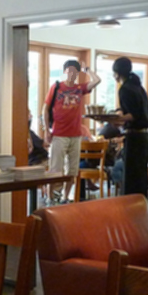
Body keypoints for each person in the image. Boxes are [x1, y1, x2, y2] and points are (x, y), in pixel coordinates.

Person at [41, 59, 101, 202]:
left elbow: (97, 80)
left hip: (75, 135)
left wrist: (87, 70)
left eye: (75, 72)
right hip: (59, 134)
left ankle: (65, 197)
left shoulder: (80, 88)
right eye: (70, 71)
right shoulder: (56, 87)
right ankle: (51, 197)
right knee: (55, 169)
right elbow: (45, 109)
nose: (72, 75)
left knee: (72, 170)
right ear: (65, 72)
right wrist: (46, 129)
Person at [112, 57, 148, 197]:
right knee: (140, 176)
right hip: (144, 137)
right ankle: (141, 204)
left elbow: (133, 115)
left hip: (134, 137)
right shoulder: (139, 87)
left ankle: (129, 205)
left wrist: (117, 119)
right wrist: (120, 111)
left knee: (131, 176)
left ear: (117, 73)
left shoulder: (125, 89)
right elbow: (135, 110)